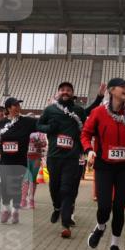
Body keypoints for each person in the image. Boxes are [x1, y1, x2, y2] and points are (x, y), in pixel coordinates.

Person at [80, 78, 125, 250]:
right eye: (122, 86)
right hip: (104, 165)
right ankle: (100, 227)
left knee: (119, 207)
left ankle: (114, 246)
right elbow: (85, 134)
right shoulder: (98, 113)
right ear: (111, 90)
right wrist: (89, 150)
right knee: (104, 206)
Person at [37, 81, 105, 238]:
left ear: (72, 93)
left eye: (68, 90)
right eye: (62, 89)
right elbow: (38, 125)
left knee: (67, 190)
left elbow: (90, 111)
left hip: (72, 158)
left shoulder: (78, 110)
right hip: (54, 157)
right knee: (54, 188)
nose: (65, 92)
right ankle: (57, 208)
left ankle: (65, 223)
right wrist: (49, 128)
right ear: (58, 92)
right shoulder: (50, 110)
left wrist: (99, 97)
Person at [0, 97, 37, 224]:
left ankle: (15, 211)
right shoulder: (2, 123)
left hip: (20, 161)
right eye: (14, 105)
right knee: (4, 185)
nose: (17, 107)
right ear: (8, 108)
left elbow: (41, 124)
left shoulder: (27, 121)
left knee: (16, 187)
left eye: (18, 105)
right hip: (5, 160)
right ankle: (6, 209)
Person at [20, 130, 47, 209]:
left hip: (36, 159)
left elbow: (44, 144)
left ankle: (31, 200)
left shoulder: (40, 133)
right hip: (25, 158)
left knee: (33, 179)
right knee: (25, 179)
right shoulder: (25, 131)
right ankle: (23, 200)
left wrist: (38, 142)